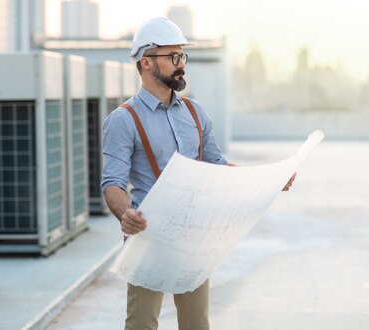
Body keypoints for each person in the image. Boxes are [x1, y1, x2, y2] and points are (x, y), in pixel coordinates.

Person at [101, 17, 295, 330]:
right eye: (173, 57)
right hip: (148, 238)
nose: (181, 64)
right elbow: (112, 182)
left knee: (196, 324)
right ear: (146, 62)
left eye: (183, 57)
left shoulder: (195, 112)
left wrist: (268, 179)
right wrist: (125, 213)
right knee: (142, 325)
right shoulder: (123, 120)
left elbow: (217, 166)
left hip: (194, 237)